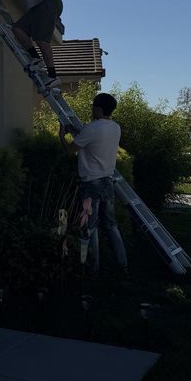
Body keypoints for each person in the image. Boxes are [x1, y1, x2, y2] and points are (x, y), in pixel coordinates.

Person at [59, 92, 129, 278]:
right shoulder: (115, 128)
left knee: (91, 227)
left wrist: (61, 135)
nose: (91, 109)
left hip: (91, 184)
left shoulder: (91, 129)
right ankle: (122, 265)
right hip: (107, 181)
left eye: (93, 106)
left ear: (98, 108)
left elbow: (70, 152)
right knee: (111, 225)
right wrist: (77, 130)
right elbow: (93, 138)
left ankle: (94, 268)